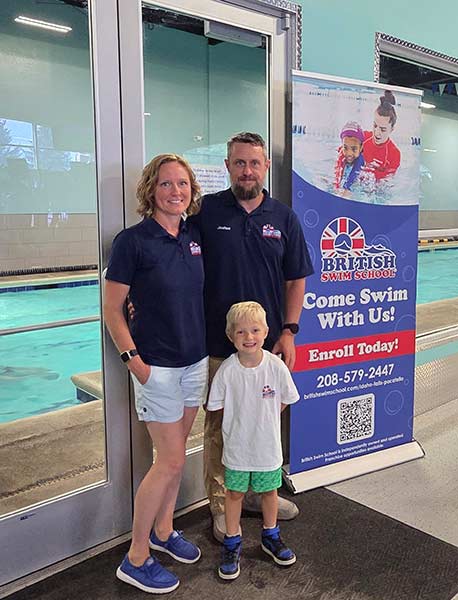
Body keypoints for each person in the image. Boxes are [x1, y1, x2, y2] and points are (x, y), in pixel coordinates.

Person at [189, 132, 313, 542]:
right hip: (217, 348)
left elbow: (296, 280)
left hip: (268, 350)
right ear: (227, 167)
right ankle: (224, 511)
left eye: (254, 163)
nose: (247, 170)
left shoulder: (283, 217)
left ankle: (262, 496)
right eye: (239, 163)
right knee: (220, 429)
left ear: (266, 168)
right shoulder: (205, 212)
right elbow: (177, 261)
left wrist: (289, 332)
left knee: (265, 426)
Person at [104, 154, 207, 594]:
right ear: (151, 190)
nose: (175, 191)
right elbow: (112, 308)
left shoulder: (192, 236)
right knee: (169, 461)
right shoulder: (132, 242)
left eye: (182, 184)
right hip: (157, 370)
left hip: (194, 362)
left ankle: (164, 531)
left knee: (175, 453)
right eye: (166, 184)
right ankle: (136, 556)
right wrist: (135, 363)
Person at [207, 301, 299, 580]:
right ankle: (232, 541)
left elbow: (285, 399)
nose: (249, 337)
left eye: (255, 330)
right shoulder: (227, 371)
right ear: (230, 336)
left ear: (266, 331)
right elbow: (217, 406)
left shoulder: (276, 366)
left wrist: (264, 418)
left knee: (269, 493)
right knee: (233, 494)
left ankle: (270, 537)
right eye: (241, 332)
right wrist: (241, 422)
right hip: (237, 449)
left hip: (267, 448)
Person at [362, 90, 401, 181]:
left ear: (392, 129)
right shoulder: (363, 137)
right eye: (375, 126)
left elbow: (386, 182)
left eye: (383, 129)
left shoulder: (394, 154)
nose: (377, 132)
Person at [333, 121, 365, 192]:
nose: (349, 153)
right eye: (345, 147)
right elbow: (338, 174)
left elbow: (353, 176)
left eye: (354, 149)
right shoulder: (341, 154)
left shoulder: (360, 160)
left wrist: (346, 188)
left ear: (361, 147)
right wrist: (336, 186)